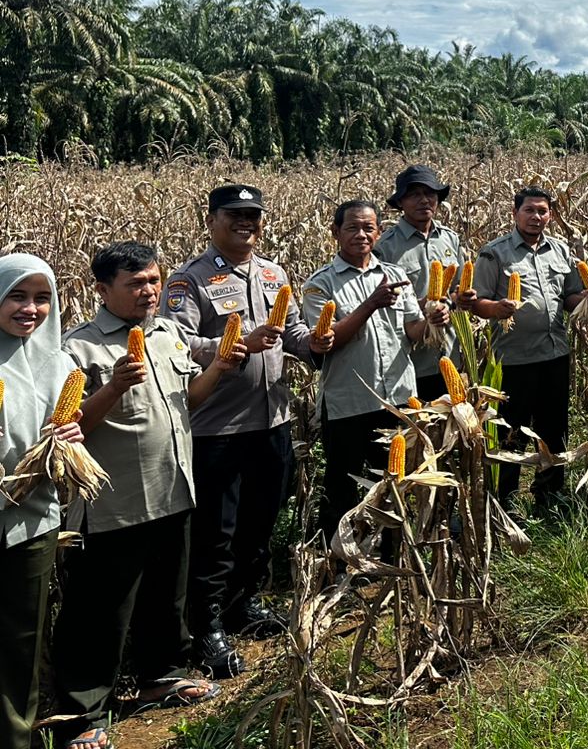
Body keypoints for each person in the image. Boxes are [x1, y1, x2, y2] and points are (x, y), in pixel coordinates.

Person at [54, 242, 244, 747]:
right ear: (101, 289)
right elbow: (66, 428)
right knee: (101, 608)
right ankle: (83, 711)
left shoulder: (167, 334)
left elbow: (187, 400)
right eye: (135, 283)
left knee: (167, 593)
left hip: (172, 486)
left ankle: (160, 674)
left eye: (154, 280)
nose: (149, 291)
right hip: (113, 501)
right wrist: (112, 387)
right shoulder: (79, 348)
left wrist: (218, 370)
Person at [164, 184, 314, 677]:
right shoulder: (189, 281)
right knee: (217, 532)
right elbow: (177, 343)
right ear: (211, 220)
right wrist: (233, 344)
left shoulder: (273, 273)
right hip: (220, 429)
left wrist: (316, 341)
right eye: (235, 215)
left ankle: (243, 606)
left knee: (259, 522)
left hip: (273, 421)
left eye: (253, 215)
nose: (246, 223)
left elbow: (290, 332)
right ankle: (206, 626)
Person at [302, 200, 436, 542]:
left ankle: (394, 557)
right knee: (342, 489)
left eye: (369, 228)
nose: (361, 235)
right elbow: (326, 340)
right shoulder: (319, 285)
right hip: (349, 402)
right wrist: (370, 304)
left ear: (378, 232)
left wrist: (432, 322)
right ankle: (338, 559)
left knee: (394, 482)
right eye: (352, 228)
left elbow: (412, 332)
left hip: (397, 400)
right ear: (335, 232)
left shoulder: (396, 276)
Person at [0, 255, 83, 749]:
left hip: (31, 525)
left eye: (42, 298)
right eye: (17, 296)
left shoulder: (57, 361)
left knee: (20, 642)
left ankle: (14, 737)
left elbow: (62, 441)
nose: (31, 309)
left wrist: (70, 437)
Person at [473, 186, 588, 509]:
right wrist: (496, 308)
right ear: (515, 214)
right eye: (529, 210)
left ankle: (550, 493)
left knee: (554, 429)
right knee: (511, 432)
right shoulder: (494, 253)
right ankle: (506, 499)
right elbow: (477, 301)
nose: (536, 217)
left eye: (542, 211)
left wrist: (586, 299)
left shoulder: (559, 251)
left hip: (555, 354)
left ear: (550, 215)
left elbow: (568, 298)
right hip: (513, 359)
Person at [374, 164, 473, 401]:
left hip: (450, 355)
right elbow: (380, 308)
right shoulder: (385, 247)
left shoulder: (450, 239)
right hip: (410, 363)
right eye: (414, 194)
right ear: (400, 202)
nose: (424, 200)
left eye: (430, 194)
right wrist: (421, 306)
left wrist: (459, 299)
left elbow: (457, 291)